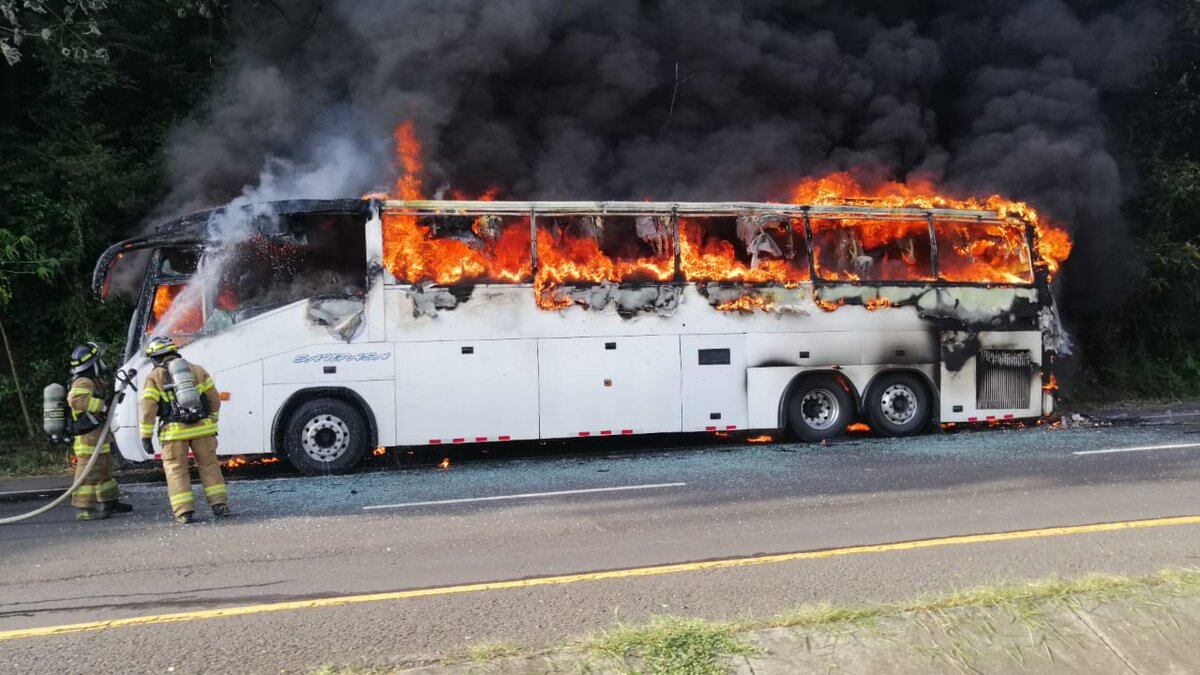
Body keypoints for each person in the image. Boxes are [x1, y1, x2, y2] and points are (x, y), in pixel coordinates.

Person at [139, 336, 227, 524]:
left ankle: (184, 512)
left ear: (155, 357)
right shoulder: (197, 370)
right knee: (209, 465)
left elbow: (148, 408)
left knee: (176, 470)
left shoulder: (154, 377)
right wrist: (211, 421)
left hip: (174, 432)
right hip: (203, 429)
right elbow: (214, 399)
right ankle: (219, 504)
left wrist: (145, 436)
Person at [66, 342, 134, 521]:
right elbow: (75, 400)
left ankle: (109, 501)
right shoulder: (83, 381)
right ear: (92, 364)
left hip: (99, 435)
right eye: (99, 360)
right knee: (88, 473)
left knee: (104, 471)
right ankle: (84, 509)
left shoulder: (95, 381)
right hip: (89, 437)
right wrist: (102, 406)